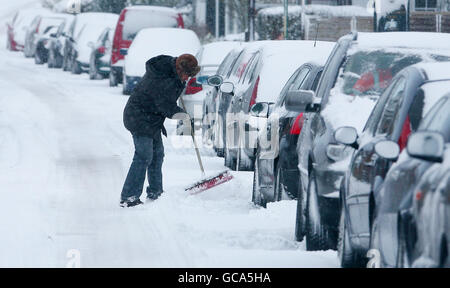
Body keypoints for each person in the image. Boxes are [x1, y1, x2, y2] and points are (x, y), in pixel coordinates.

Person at [120, 54, 200, 207]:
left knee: (157, 155)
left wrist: (179, 85)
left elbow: (167, 101)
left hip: (152, 120)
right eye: (186, 75)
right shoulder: (161, 79)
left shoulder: (170, 74)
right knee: (144, 155)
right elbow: (165, 106)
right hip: (138, 118)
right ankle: (129, 196)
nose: (186, 79)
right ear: (179, 69)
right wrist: (184, 115)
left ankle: (156, 193)